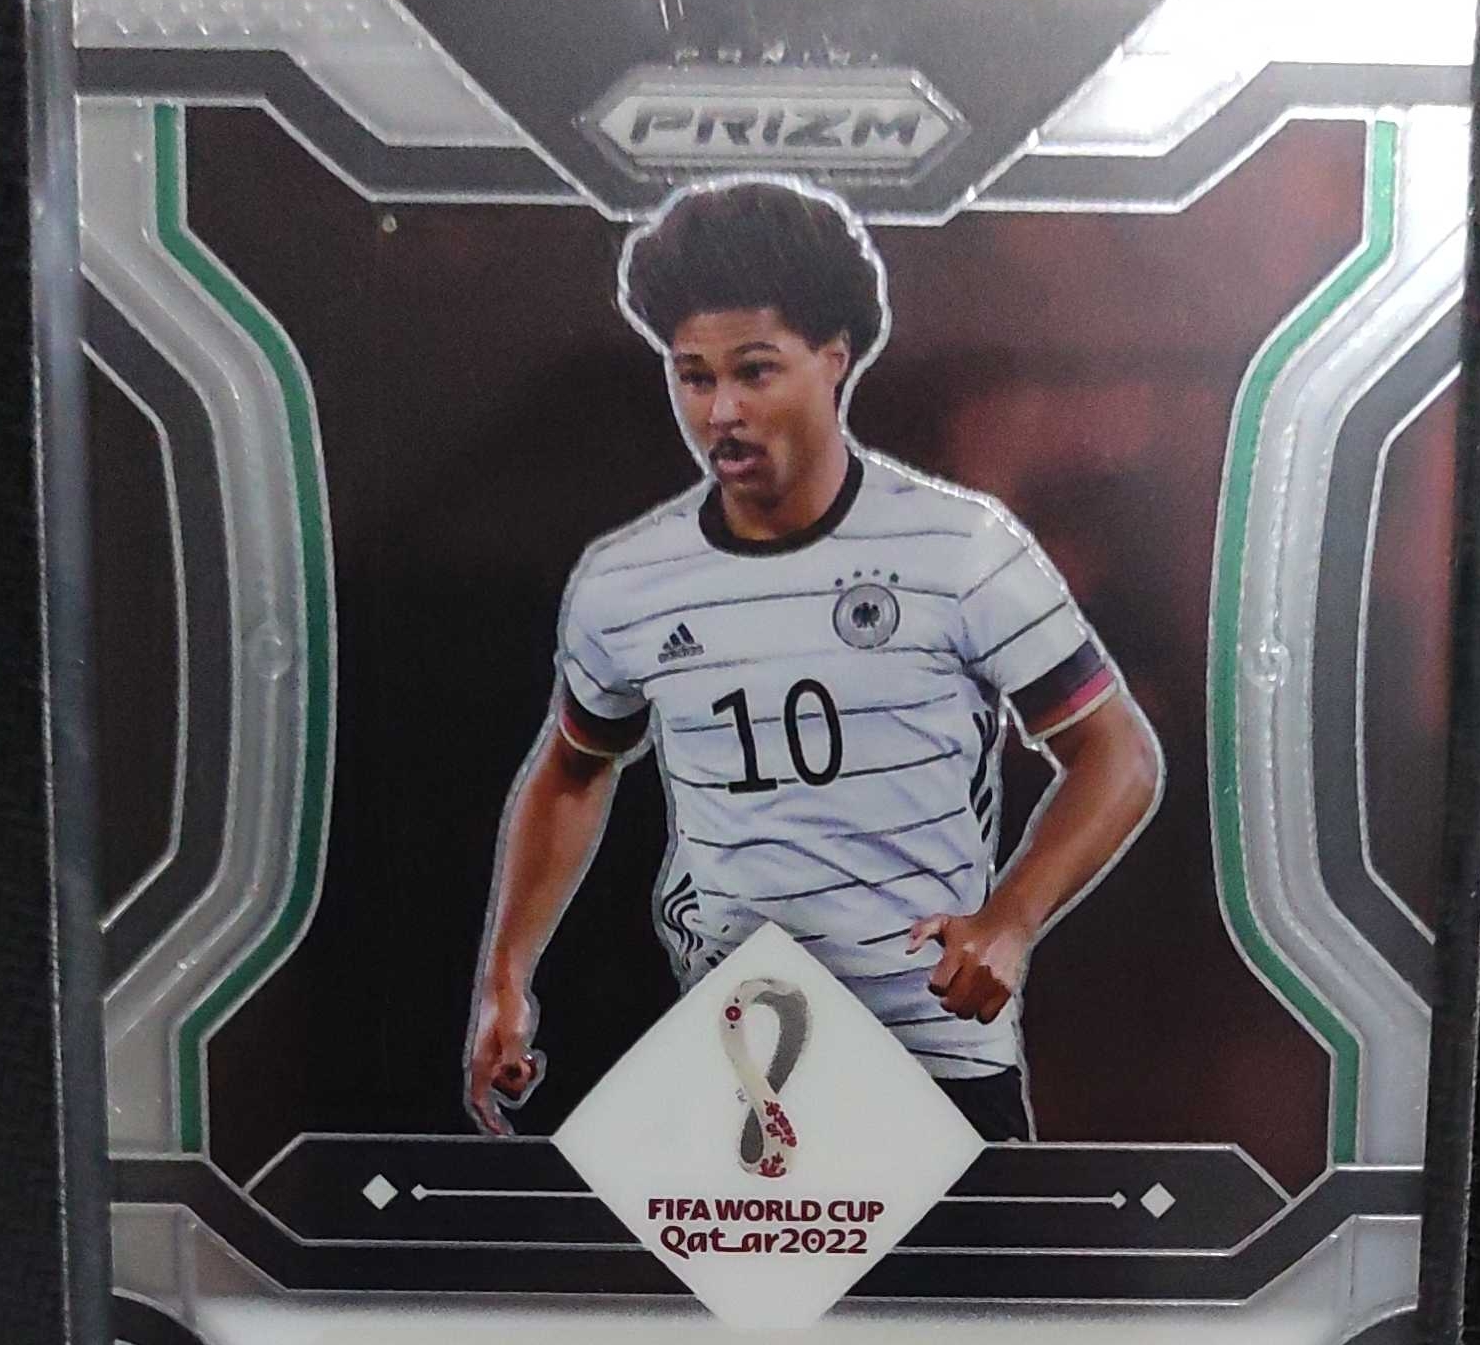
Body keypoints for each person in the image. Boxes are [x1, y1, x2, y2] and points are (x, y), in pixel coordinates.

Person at [465, 176, 1161, 1142]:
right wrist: (506, 977)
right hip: (738, 1065)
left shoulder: (960, 549)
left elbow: (1118, 753)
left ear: (834, 359)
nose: (720, 410)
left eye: (755, 371)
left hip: (933, 1058)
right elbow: (574, 770)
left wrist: (1010, 919)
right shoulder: (627, 581)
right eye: (693, 376)